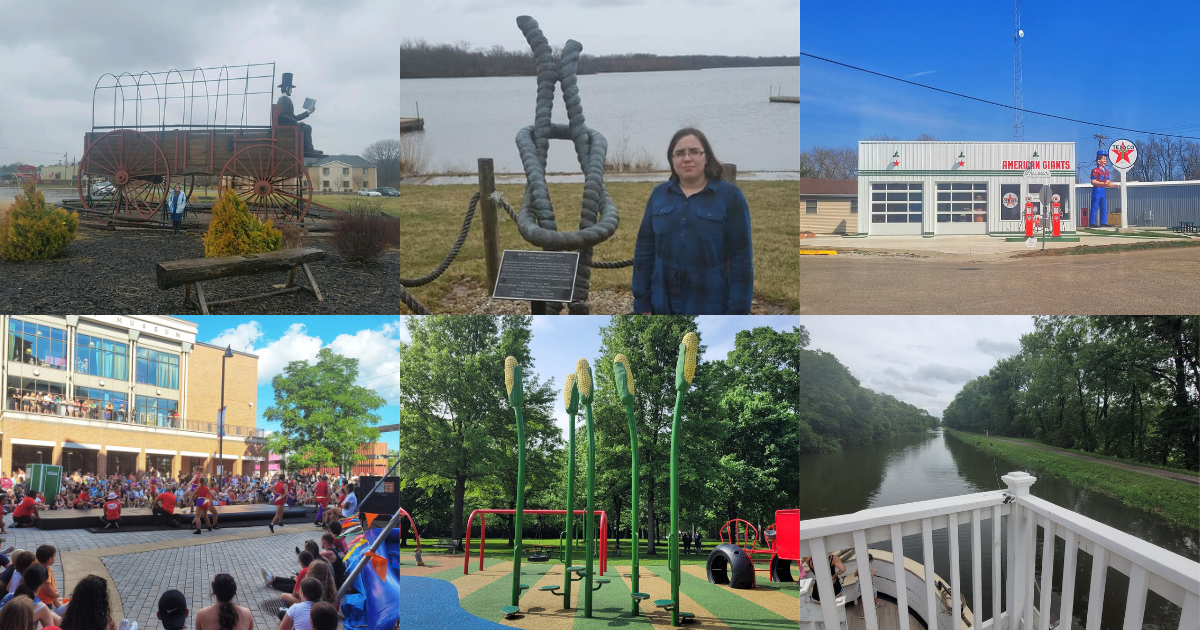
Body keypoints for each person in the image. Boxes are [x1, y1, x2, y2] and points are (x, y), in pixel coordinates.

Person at [632, 127, 753, 315]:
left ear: (706, 157)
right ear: (672, 160)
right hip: (662, 303)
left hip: (710, 303)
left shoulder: (730, 197)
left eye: (694, 152)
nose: (687, 158)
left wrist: (737, 313)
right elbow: (644, 252)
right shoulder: (659, 196)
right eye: (679, 153)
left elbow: (742, 259)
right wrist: (642, 304)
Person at [275, 73, 323, 158]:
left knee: (305, 126)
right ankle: (308, 149)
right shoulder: (284, 100)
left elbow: (292, 117)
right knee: (306, 127)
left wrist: (307, 112)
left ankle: (306, 148)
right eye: (291, 89)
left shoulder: (284, 99)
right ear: (287, 88)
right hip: (286, 126)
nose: (291, 91)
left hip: (287, 124)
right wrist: (296, 122)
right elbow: (282, 116)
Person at [10, 564, 61, 630]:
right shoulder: (40, 606)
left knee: (50, 614)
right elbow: (51, 628)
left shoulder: (9, 596)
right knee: (49, 614)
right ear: (43, 584)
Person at [1090, 151, 1120, 227]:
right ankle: (1092, 222)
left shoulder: (1106, 172)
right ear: (1099, 161)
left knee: (1103, 206)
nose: (1105, 161)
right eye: (1104, 159)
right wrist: (1103, 183)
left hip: (1103, 190)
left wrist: (1115, 185)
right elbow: (1093, 181)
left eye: (1105, 159)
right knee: (1095, 206)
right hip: (1097, 189)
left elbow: (1108, 183)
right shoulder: (1095, 171)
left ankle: (1103, 222)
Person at [35, 545, 65, 616]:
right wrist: (56, 595)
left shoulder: (37, 568)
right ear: (49, 559)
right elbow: (47, 589)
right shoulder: (46, 572)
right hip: (46, 603)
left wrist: (57, 600)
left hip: (39, 600)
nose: (55, 558)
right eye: (54, 556)